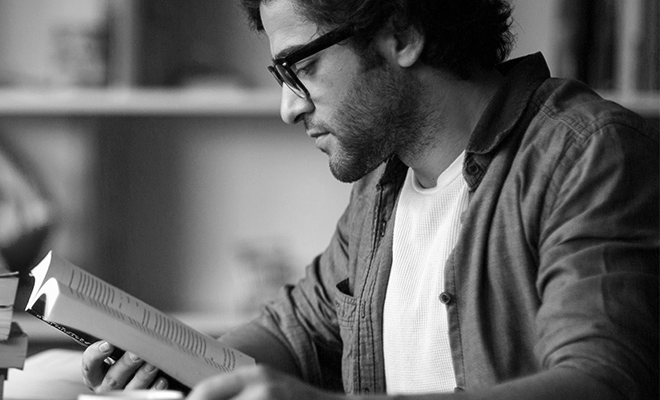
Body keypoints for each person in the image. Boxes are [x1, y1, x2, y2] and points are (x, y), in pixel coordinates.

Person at [81, 0, 659, 399]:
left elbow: (600, 382)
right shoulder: (381, 191)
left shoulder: (588, 154)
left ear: (400, 35)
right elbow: (295, 332)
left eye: (301, 66)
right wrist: (171, 366)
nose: (290, 107)